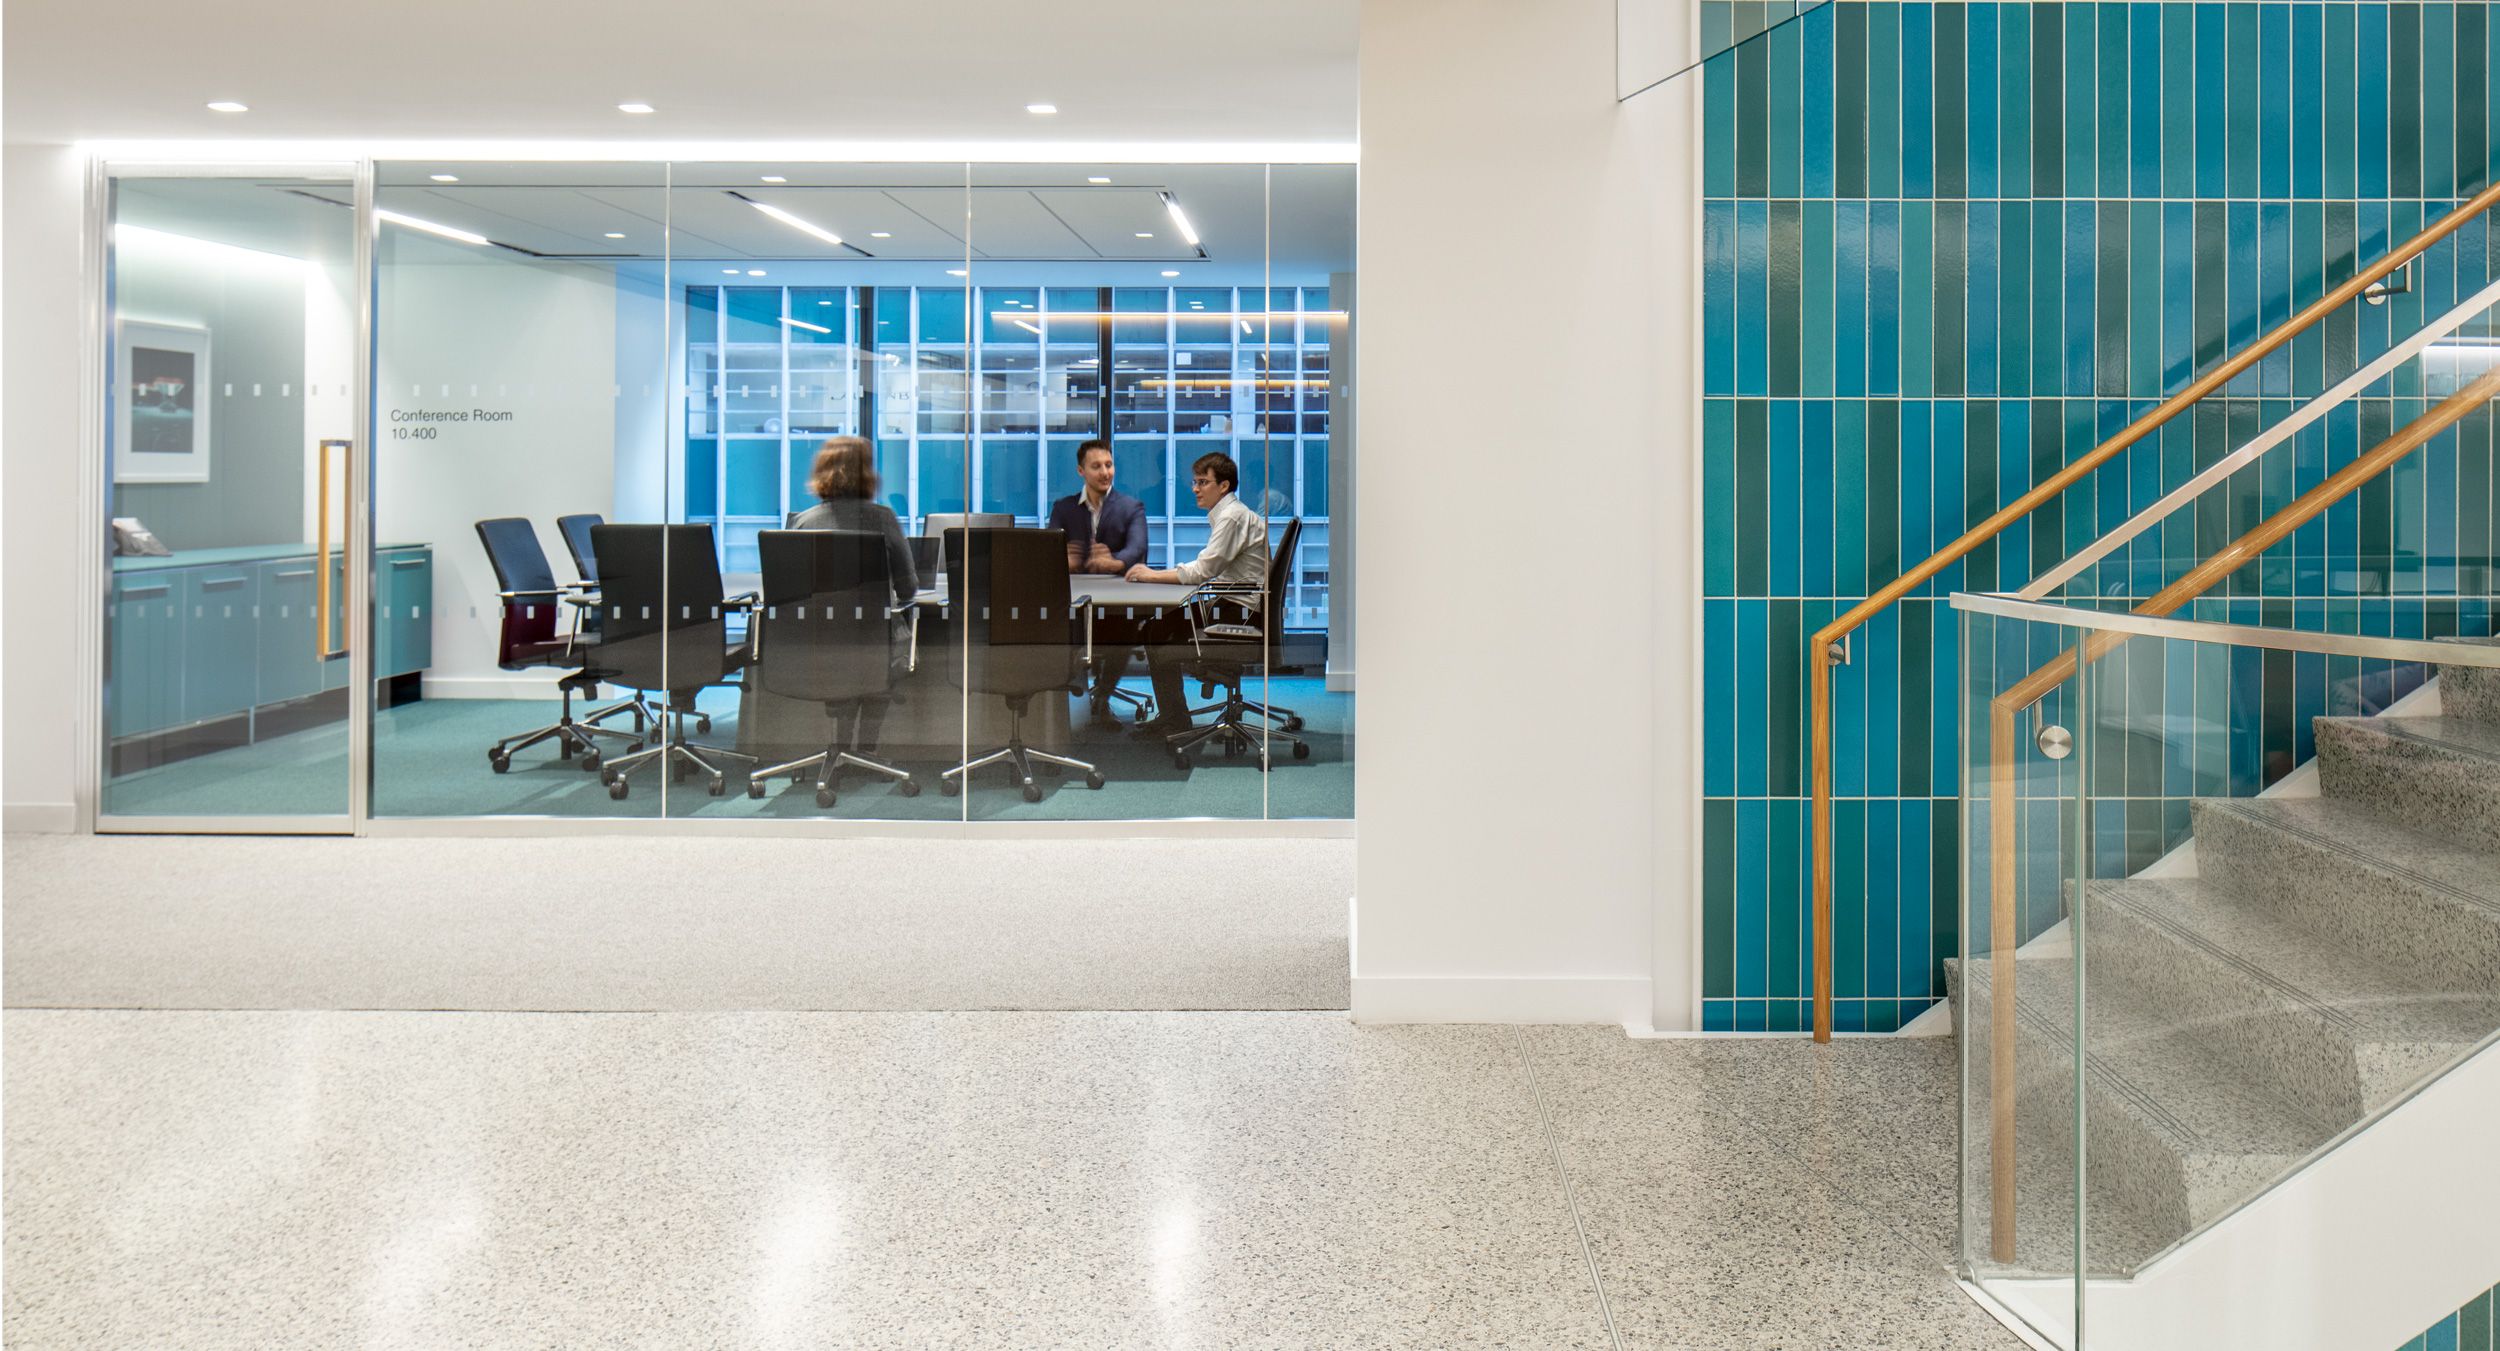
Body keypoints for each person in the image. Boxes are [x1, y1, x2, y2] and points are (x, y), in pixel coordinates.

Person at [1124, 451, 1271, 740]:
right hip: (1236, 604)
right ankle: (1174, 714)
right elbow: (1208, 569)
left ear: (1224, 486)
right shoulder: (1232, 514)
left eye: (1203, 482)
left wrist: (1150, 575)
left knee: (1156, 631)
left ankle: (1174, 719)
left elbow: (1203, 570)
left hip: (1239, 611)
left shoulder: (1231, 517)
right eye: (1195, 482)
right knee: (1158, 627)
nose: (1195, 489)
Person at [785, 435, 916, 746]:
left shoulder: (801, 523)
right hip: (873, 642)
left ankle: (839, 746)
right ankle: (866, 747)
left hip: (813, 646)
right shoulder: (882, 519)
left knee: (847, 660)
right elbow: (908, 588)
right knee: (877, 657)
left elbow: (786, 595)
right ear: (868, 473)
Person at [1046, 439, 1148, 575]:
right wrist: (1061, 562)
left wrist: (1114, 563)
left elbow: (1137, 548)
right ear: (1081, 470)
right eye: (1096, 466)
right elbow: (1050, 552)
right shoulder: (1062, 508)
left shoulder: (1132, 508)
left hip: (1118, 590)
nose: (1105, 473)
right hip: (1074, 590)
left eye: (1109, 465)